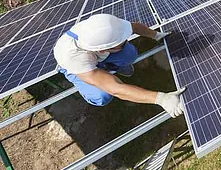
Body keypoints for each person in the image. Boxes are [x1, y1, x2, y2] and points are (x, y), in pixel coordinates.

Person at [53, 14, 185, 117]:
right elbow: (115, 89)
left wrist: (156, 35)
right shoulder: (75, 59)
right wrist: (161, 99)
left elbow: (134, 27)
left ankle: (109, 68)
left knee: (130, 53)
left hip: (96, 55)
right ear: (102, 50)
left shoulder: (105, 26)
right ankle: (97, 79)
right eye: (121, 42)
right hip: (76, 67)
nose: (125, 40)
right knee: (101, 95)